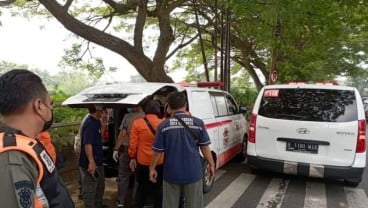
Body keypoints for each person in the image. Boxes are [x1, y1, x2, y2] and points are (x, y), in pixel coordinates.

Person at [0, 69, 74, 207]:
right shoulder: (13, 158)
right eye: (50, 105)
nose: (51, 110)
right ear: (39, 106)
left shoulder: (24, 144)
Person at [149, 91, 215, 208]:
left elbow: (157, 151)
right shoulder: (198, 123)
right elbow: (204, 147)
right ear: (185, 105)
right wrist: (211, 165)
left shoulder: (163, 126)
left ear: (168, 107)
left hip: (171, 174)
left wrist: (152, 168)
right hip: (194, 173)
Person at [129, 100, 164, 208]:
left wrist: (132, 157)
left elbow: (133, 143)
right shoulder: (163, 123)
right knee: (157, 189)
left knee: (141, 189)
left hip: (143, 162)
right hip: (159, 162)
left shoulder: (138, 122)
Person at [113, 105, 145, 207]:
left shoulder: (128, 117)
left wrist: (116, 148)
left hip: (128, 150)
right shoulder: (146, 117)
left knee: (123, 176)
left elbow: (122, 134)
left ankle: (121, 201)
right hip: (141, 152)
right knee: (137, 178)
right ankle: (136, 200)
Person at [79, 105, 106, 208]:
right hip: (90, 162)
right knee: (90, 188)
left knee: (100, 185)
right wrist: (91, 161)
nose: (104, 112)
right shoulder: (90, 123)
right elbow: (88, 144)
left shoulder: (96, 122)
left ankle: (98, 205)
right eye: (103, 109)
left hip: (97, 160)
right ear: (98, 110)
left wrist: (103, 127)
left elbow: (98, 139)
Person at [74, 113, 89, 200]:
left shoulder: (87, 118)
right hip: (80, 146)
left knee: (81, 170)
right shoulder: (89, 120)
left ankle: (81, 191)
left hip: (79, 145)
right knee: (83, 170)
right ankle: (83, 192)